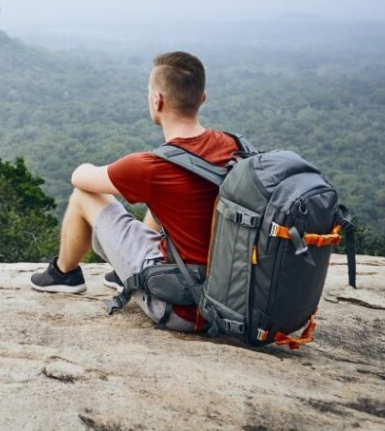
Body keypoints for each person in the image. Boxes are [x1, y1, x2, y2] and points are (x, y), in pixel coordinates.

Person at [29, 51, 238, 331]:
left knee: (83, 196)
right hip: (225, 298)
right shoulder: (233, 146)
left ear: (157, 101)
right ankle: (124, 274)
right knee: (161, 201)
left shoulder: (153, 166)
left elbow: (79, 177)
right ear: (202, 99)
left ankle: (64, 275)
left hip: (181, 308)